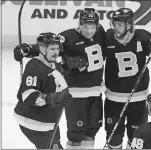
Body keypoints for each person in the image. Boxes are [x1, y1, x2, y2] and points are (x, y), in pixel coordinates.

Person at [13, 8, 106, 149]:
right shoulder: (68, 36)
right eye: (85, 26)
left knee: (92, 130)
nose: (89, 31)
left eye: (92, 27)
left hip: (96, 92)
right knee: (76, 133)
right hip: (76, 93)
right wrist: (28, 50)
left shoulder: (101, 33)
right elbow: (51, 45)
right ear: (79, 24)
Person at [103, 8, 151, 149]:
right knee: (113, 138)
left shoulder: (143, 36)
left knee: (136, 138)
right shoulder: (107, 37)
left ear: (129, 25)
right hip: (113, 98)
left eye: (120, 24)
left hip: (138, 98)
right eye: (114, 23)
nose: (116, 27)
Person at [13, 32, 72, 149]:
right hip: (35, 123)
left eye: (57, 48)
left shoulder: (53, 62)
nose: (56, 52)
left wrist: (69, 66)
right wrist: (54, 97)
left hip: (48, 119)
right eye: (52, 49)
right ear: (42, 49)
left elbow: (55, 76)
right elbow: (29, 96)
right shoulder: (35, 67)